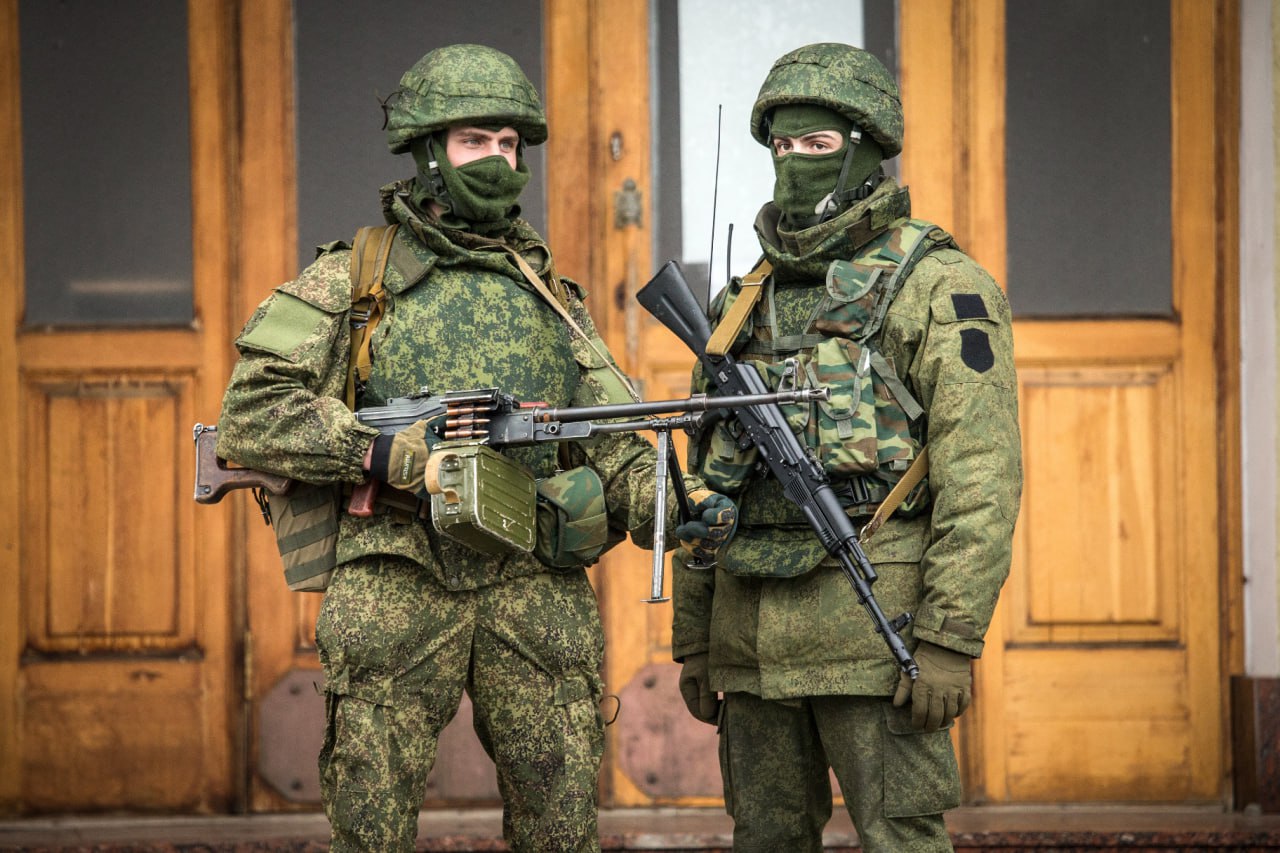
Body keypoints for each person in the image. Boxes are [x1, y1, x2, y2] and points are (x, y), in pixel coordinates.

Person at [216, 44, 734, 853]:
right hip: (395, 574)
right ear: (428, 151)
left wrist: (673, 500)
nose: (496, 159)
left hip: (533, 580)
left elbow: (612, 438)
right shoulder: (353, 277)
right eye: (473, 141)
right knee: (370, 825)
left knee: (561, 819)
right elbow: (251, 411)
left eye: (508, 142)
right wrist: (389, 456)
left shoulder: (549, 295)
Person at [672, 43, 1022, 852]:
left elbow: (981, 476)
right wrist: (695, 634)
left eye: (818, 144)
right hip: (750, 640)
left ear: (865, 150)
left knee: (900, 839)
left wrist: (949, 637)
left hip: (875, 636)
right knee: (764, 837)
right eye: (782, 145)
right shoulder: (741, 301)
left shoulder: (939, 286)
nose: (794, 162)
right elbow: (704, 484)